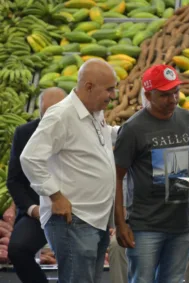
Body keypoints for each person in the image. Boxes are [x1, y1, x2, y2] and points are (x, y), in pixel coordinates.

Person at [20, 59, 119, 283]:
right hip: (73, 219)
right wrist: (55, 195)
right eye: (110, 89)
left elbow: (97, 139)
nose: (113, 95)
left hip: (95, 219)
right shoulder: (61, 115)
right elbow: (30, 157)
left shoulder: (94, 111)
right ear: (89, 87)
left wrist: (127, 132)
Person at [113, 64, 189, 283]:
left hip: (180, 224)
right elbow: (117, 177)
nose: (173, 99)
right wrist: (121, 223)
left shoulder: (188, 120)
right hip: (145, 226)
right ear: (148, 95)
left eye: (176, 92)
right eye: (165, 95)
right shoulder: (133, 129)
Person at [7, 87, 66, 283]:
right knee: (17, 249)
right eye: (46, 112)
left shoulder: (80, 131)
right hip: (38, 210)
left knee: (78, 256)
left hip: (75, 208)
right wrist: (33, 209)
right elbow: (14, 181)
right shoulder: (24, 133)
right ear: (39, 112)